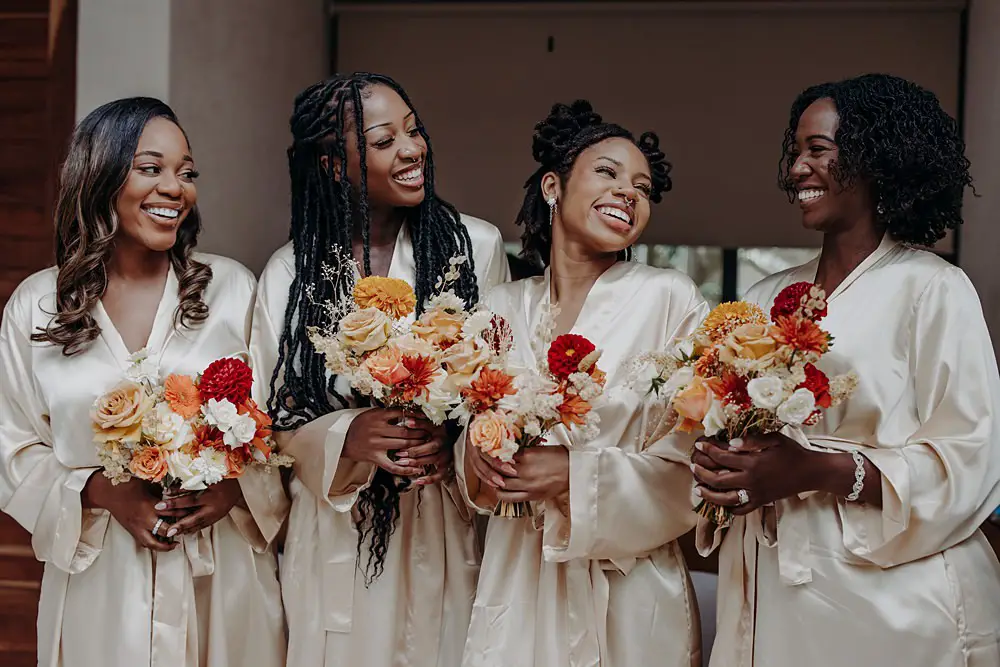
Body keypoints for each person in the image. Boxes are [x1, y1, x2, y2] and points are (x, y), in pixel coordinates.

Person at [692, 73, 1000, 666]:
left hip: (887, 596)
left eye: (818, 151)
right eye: (795, 151)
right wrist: (718, 467)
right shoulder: (763, 295)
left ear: (875, 160)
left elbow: (970, 456)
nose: (797, 170)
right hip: (773, 584)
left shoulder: (933, 289)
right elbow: (718, 419)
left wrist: (815, 468)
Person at [0, 97, 286, 667]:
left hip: (221, 574)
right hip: (101, 576)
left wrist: (234, 491)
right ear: (99, 176)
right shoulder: (38, 305)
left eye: (186, 173)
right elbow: (11, 446)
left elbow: (282, 424)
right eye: (151, 168)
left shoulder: (232, 290)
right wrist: (103, 492)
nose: (174, 188)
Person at [250, 72, 509, 667]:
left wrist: (455, 444)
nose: (413, 149)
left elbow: (501, 385)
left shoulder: (477, 247)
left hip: (440, 521)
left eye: (414, 131)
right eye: (385, 140)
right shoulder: (290, 273)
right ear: (337, 166)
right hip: (337, 537)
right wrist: (348, 438)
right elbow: (264, 426)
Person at [458, 100, 707, 667]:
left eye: (643, 188)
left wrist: (576, 476)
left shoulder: (670, 299)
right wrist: (478, 460)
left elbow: (691, 461)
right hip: (518, 576)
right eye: (608, 173)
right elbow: (470, 437)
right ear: (553, 185)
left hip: (631, 584)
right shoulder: (497, 309)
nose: (629, 193)